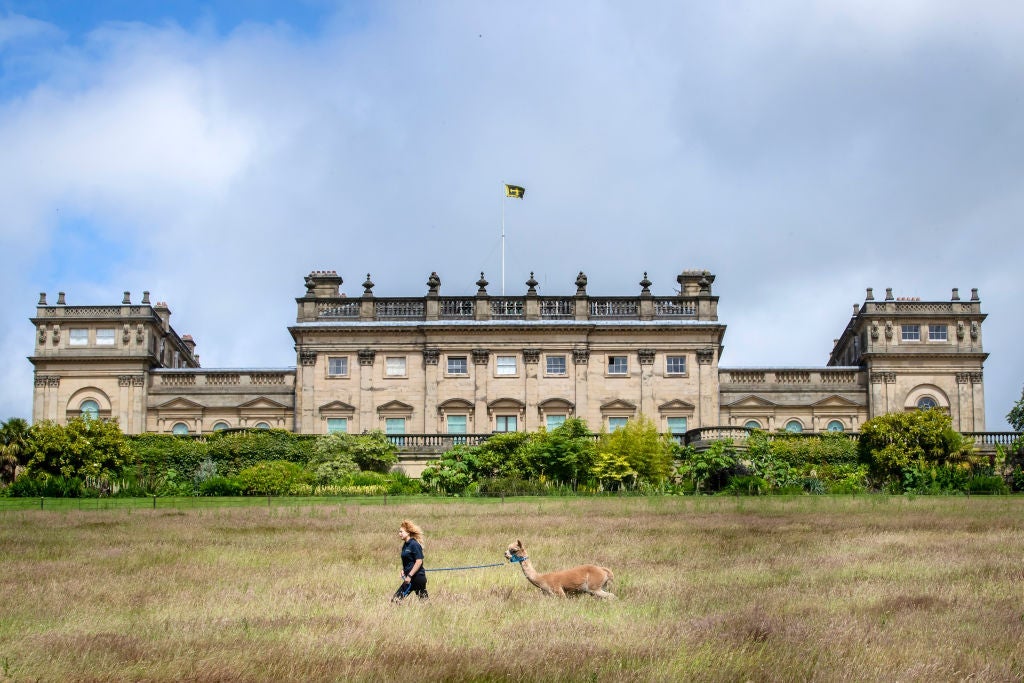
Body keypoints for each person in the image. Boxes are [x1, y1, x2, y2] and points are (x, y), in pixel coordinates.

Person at [392, 519, 428, 601]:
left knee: (396, 600)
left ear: (408, 532)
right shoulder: (405, 545)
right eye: (399, 532)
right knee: (425, 602)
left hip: (417, 578)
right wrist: (404, 570)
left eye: (401, 532)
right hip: (411, 577)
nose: (399, 534)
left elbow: (419, 561)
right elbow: (408, 561)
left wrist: (409, 576)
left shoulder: (414, 544)